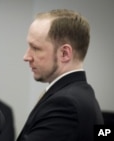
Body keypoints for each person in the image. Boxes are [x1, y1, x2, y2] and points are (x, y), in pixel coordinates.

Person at [17, 9, 103, 141]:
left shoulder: (66, 105)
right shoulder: (80, 95)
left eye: (36, 48)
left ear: (65, 53)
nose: (26, 57)